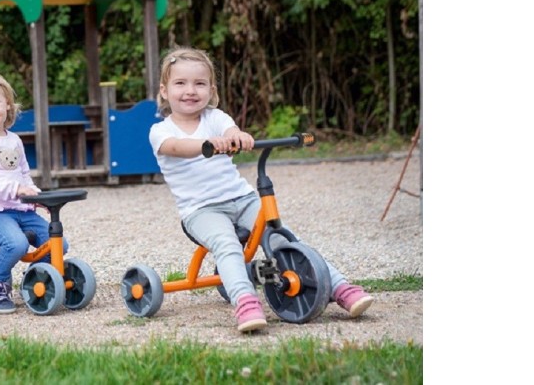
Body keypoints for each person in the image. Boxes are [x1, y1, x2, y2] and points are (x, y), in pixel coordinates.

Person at [147, 47, 373, 333]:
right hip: (200, 211)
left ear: (211, 89)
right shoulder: (161, 131)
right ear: (165, 91)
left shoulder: (215, 118)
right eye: (181, 83)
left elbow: (231, 131)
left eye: (199, 83)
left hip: (241, 198)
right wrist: (209, 144)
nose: (190, 91)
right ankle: (245, 301)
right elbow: (176, 148)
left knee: (283, 237)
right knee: (227, 244)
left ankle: (339, 286)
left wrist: (236, 137)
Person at [0, 71, 68, 314]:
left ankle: (37, 278)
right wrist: (15, 189)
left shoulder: (14, 140)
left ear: (7, 103)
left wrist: (34, 196)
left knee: (59, 244)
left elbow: (23, 174)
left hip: (20, 210)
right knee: (15, 243)